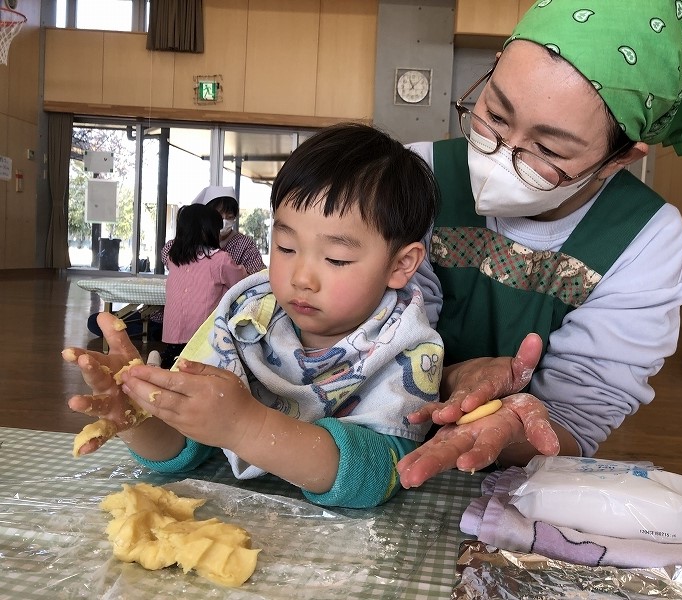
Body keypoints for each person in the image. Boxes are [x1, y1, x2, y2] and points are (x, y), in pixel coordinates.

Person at [397, 0, 682, 488]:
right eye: (494, 115)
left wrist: (511, 426)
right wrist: (450, 376)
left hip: (519, 477)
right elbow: (358, 332)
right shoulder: (413, 177)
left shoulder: (643, 237)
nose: (501, 156)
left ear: (619, 159)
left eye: (548, 150)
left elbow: (579, 413)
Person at [64, 123, 443, 509]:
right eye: (286, 246)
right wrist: (141, 415)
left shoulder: (407, 344)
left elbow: (385, 470)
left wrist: (247, 426)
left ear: (400, 264)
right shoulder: (248, 316)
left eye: (336, 259)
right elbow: (184, 443)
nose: (301, 278)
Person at [85, 187, 265, 341]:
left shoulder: (243, 244)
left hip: (213, 318)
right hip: (169, 315)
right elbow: (170, 254)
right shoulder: (180, 248)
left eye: (230, 216)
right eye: (219, 215)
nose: (224, 221)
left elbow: (257, 273)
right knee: (96, 321)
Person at [159, 203, 248, 368]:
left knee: (174, 367)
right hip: (202, 336)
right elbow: (241, 281)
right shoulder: (220, 260)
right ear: (209, 230)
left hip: (173, 333)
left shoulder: (174, 257)